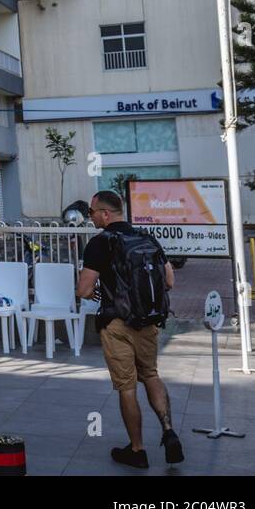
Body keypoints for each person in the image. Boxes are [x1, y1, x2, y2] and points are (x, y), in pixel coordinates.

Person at [78, 189, 182, 468]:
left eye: (91, 213)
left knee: (126, 387)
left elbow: (83, 289)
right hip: (148, 322)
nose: (90, 218)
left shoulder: (100, 243)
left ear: (105, 214)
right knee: (150, 374)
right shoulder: (147, 238)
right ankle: (169, 430)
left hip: (116, 324)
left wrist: (98, 294)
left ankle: (137, 450)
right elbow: (169, 281)